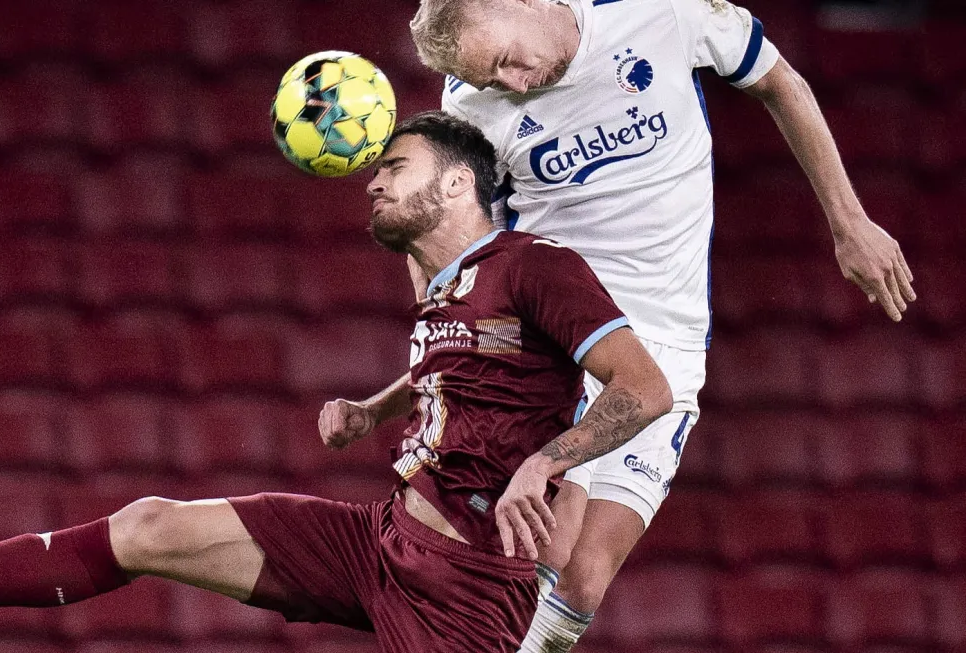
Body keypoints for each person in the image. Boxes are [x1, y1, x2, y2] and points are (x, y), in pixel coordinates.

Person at [0, 111, 672, 652]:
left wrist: (543, 465)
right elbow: (464, 371)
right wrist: (373, 408)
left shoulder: (537, 265)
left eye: (392, 168)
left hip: (469, 584)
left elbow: (643, 389)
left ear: (454, 183)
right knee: (148, 526)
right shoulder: (444, 288)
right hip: (380, 541)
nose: (372, 183)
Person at [319, 1, 919, 650]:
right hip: (561, 342)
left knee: (581, 583)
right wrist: (397, 394)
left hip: (669, 346)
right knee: (545, 547)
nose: (513, 84)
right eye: (493, 81)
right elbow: (457, 263)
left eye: (502, 61)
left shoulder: (656, 12)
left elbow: (777, 81)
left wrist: (847, 221)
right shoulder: (470, 108)